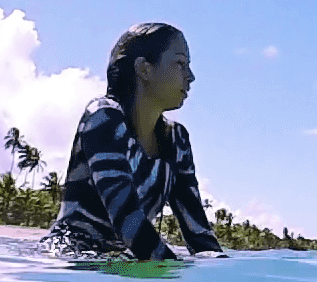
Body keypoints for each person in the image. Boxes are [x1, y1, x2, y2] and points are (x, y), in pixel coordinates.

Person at [42, 22, 223, 261]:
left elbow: (200, 237)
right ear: (144, 69)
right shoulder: (103, 118)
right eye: (179, 63)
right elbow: (127, 219)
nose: (190, 77)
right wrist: (171, 268)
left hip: (123, 257)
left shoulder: (177, 140)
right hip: (71, 256)